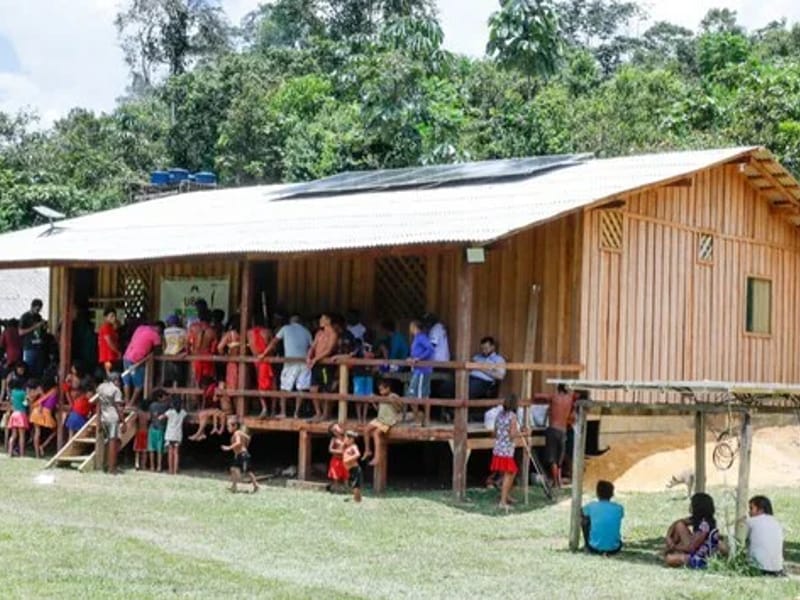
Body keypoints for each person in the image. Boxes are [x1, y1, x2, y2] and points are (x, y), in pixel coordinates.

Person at [266, 314, 312, 418]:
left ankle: (283, 412)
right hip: (304, 362)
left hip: (290, 362)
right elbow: (312, 346)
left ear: (291, 321)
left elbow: (274, 341)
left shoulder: (285, 328)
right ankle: (296, 412)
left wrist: (264, 353)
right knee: (301, 388)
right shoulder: (306, 331)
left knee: (284, 388)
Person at [664, 492, 723, 568]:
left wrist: (673, 547)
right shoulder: (697, 519)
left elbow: (691, 548)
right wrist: (668, 537)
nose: (690, 506)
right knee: (679, 525)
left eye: (691, 504)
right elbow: (677, 523)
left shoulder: (704, 526)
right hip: (694, 550)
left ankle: (673, 553)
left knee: (670, 559)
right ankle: (671, 551)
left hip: (700, 556)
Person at [122, 321, 163, 407]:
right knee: (139, 384)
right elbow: (158, 351)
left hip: (127, 356)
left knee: (127, 381)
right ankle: (131, 403)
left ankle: (126, 402)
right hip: (137, 361)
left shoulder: (140, 328)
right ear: (159, 329)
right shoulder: (155, 335)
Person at [362, 378, 403, 467]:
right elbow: (378, 410)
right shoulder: (381, 397)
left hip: (388, 420)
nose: (380, 391)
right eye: (379, 390)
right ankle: (367, 450)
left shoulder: (393, 396)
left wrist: (393, 402)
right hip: (380, 418)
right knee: (366, 429)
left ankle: (377, 457)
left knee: (376, 433)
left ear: (388, 388)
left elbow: (400, 408)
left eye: (382, 389)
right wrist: (373, 402)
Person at [306, 313, 339, 421]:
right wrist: (308, 356)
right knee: (313, 389)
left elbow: (329, 350)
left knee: (326, 390)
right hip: (316, 365)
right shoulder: (319, 333)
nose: (320, 321)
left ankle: (325, 414)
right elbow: (313, 346)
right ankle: (318, 412)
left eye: (323, 319)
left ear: (328, 321)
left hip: (326, 364)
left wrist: (316, 359)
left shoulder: (333, 334)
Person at [93, 372, 125, 474]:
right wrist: (123, 421)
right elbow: (118, 407)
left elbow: (98, 404)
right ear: (115, 380)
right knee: (113, 443)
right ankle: (112, 468)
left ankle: (106, 465)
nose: (119, 383)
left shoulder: (101, 387)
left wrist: (98, 420)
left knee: (107, 442)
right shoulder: (116, 390)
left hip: (104, 417)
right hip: (113, 417)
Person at [491, 394, 520, 510]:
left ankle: (506, 495)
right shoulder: (512, 416)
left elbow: (494, 432)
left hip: (498, 448)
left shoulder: (499, 415)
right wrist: (523, 433)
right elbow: (512, 435)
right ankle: (503, 501)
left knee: (508, 473)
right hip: (506, 450)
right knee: (511, 473)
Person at [582, 480, 624, 555]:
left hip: (594, 547)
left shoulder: (591, 506)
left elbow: (581, 513)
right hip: (614, 548)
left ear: (597, 493)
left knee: (584, 520)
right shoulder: (619, 508)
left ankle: (587, 545)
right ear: (612, 494)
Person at [746, 495, 784, 576]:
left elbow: (737, 540)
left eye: (751, 508)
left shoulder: (752, 521)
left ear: (761, 510)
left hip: (758, 568)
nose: (749, 512)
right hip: (777, 569)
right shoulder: (776, 522)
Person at [545, 385, 575, 488]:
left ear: (558, 389)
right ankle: (559, 481)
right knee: (560, 459)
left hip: (553, 429)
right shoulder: (570, 399)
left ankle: (556, 482)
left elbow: (537, 396)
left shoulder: (554, 397)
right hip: (563, 431)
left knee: (553, 458)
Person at [221, 416, 258, 493]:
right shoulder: (240, 432)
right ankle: (234, 486)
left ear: (234, 426)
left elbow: (238, 443)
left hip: (243, 455)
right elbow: (248, 438)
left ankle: (255, 486)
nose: (227, 428)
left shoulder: (237, 433)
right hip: (241, 455)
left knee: (248, 471)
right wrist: (244, 447)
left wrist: (229, 447)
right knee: (233, 469)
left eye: (228, 426)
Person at [247, 315, 275, 418]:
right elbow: (273, 347)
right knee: (272, 385)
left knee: (261, 385)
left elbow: (248, 347)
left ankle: (264, 408)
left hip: (257, 361)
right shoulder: (267, 332)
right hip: (268, 360)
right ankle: (272, 410)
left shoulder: (249, 333)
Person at [406, 319, 434, 422]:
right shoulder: (417, 338)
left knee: (422, 395)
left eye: (411, 327)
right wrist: (412, 358)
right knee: (413, 394)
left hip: (423, 370)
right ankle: (418, 417)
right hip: (417, 370)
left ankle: (424, 418)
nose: (410, 329)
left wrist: (419, 358)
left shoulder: (421, 337)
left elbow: (430, 349)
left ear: (414, 327)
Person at [187, 300, 218, 386]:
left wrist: (188, 353)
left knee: (195, 382)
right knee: (206, 384)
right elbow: (214, 349)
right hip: (207, 358)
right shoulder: (212, 331)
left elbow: (187, 344)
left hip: (195, 357)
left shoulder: (192, 327)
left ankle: (194, 399)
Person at [217, 316, 242, 411]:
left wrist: (225, 356)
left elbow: (219, 347)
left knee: (232, 386)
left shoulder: (230, 335)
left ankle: (233, 410)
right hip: (243, 364)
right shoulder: (245, 334)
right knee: (239, 386)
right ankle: (238, 410)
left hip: (232, 363)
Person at [29, 376, 58, 458]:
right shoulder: (55, 390)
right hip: (45, 412)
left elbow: (38, 399)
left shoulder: (41, 389)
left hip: (36, 411)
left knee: (37, 432)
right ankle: (43, 446)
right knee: (56, 431)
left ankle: (37, 454)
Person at [161, 396, 188, 475]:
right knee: (176, 453)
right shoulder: (183, 412)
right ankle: (176, 470)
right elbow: (186, 415)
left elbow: (162, 417)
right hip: (178, 434)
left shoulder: (170, 412)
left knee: (170, 453)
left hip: (170, 434)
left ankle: (170, 470)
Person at [19, 299, 47, 376]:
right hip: (29, 347)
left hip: (39, 346)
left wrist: (43, 326)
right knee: (29, 369)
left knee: (39, 370)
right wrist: (35, 327)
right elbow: (20, 332)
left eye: (39, 309)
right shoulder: (25, 317)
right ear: (32, 307)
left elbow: (42, 330)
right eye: (37, 309)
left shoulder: (39, 317)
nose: (38, 311)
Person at [65, 376, 93, 440]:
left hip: (72, 416)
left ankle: (71, 446)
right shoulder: (88, 400)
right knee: (85, 434)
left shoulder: (80, 397)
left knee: (71, 436)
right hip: (78, 417)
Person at [162, 314, 187, 386]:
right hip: (179, 355)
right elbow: (186, 343)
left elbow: (164, 343)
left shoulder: (165, 331)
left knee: (168, 376)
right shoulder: (183, 331)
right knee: (178, 377)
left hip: (168, 355)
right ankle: (177, 394)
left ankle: (168, 394)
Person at [6, 378, 29, 457]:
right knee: (21, 436)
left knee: (13, 435)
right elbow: (25, 404)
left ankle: (9, 452)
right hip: (21, 414)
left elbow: (11, 400)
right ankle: (22, 454)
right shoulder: (23, 393)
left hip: (14, 414)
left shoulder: (13, 392)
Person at [147, 390, 169, 472]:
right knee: (160, 449)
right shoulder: (165, 406)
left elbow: (149, 417)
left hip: (152, 427)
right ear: (160, 398)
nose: (166, 397)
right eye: (164, 396)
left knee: (151, 448)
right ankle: (159, 467)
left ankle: (152, 466)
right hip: (161, 428)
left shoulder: (152, 405)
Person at [97, 308, 121, 375]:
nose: (114, 318)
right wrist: (117, 352)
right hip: (107, 357)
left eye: (114, 316)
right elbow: (109, 342)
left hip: (111, 356)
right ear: (105, 317)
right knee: (110, 376)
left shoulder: (111, 327)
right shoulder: (105, 327)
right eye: (111, 316)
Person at [327, 423, 348, 492]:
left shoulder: (346, 438)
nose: (336, 431)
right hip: (335, 460)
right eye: (334, 430)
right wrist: (339, 451)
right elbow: (330, 449)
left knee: (346, 476)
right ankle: (336, 488)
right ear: (333, 433)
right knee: (336, 476)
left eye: (337, 428)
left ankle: (346, 488)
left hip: (344, 460)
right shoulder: (334, 439)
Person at [342, 430, 362, 503]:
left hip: (355, 469)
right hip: (351, 470)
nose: (344, 440)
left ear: (351, 439)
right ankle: (357, 500)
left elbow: (357, 454)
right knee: (354, 486)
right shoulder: (347, 447)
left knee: (356, 486)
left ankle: (357, 501)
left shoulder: (354, 446)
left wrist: (347, 460)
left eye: (345, 438)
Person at [134, 398, 150, 471]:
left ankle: (137, 463)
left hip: (139, 431)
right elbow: (149, 420)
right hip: (146, 431)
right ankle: (143, 465)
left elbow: (134, 419)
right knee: (144, 450)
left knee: (137, 449)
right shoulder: (148, 414)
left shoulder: (139, 412)